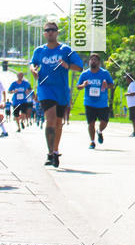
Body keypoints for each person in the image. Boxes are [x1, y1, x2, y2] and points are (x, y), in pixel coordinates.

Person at [30, 22, 83, 167]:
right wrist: (33, 70)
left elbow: (79, 67)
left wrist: (67, 65)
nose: (50, 32)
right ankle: (49, 152)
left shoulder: (65, 50)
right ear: (44, 33)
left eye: (53, 30)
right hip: (45, 88)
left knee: (58, 123)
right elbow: (33, 63)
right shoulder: (39, 50)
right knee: (51, 119)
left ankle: (55, 151)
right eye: (47, 30)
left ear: (57, 32)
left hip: (61, 90)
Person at [76, 54, 114, 149]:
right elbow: (78, 86)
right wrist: (83, 85)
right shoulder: (85, 74)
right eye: (91, 60)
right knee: (91, 123)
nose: (93, 61)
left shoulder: (104, 73)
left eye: (95, 60)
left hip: (102, 103)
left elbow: (111, 84)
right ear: (89, 62)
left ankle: (99, 131)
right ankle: (92, 142)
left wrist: (106, 86)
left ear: (99, 62)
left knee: (104, 122)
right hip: (89, 102)